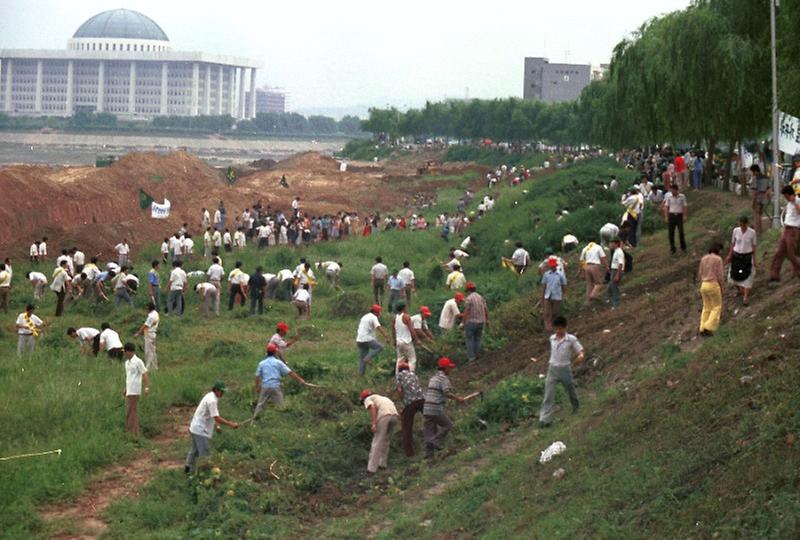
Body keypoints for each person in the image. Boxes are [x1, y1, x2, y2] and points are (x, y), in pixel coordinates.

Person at [538, 316, 585, 427]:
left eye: (561, 329)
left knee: (570, 390)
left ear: (565, 328)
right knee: (548, 394)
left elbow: (580, 350)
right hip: (552, 369)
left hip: (565, 369)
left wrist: (581, 356)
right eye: (557, 329)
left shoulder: (571, 339)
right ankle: (545, 420)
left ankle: (576, 407)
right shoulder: (552, 338)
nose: (559, 331)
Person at [184, 381, 239, 474]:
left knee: (194, 451)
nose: (223, 394)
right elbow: (216, 417)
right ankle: (203, 473)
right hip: (200, 430)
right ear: (217, 390)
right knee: (204, 453)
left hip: (195, 427)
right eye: (222, 391)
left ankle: (188, 469)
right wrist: (230, 424)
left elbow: (212, 415)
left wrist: (217, 425)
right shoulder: (212, 400)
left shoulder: (211, 396)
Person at [423, 357, 466, 458]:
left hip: (426, 408)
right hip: (435, 408)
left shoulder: (433, 378)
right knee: (448, 425)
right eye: (449, 368)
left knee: (429, 429)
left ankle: (429, 454)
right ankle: (434, 442)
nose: (450, 370)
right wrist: (458, 399)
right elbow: (447, 392)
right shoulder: (444, 379)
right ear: (445, 368)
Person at [253, 343, 310, 417]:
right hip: (275, 386)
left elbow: (257, 376)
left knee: (260, 405)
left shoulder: (261, 363)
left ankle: (255, 419)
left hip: (265, 386)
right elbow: (290, 373)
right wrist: (300, 380)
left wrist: (257, 387)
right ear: (275, 352)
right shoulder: (278, 363)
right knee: (281, 405)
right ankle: (283, 419)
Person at [359, 389, 400, 474]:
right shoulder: (382, 397)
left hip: (384, 415)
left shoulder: (368, 399)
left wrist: (374, 423)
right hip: (394, 416)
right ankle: (382, 464)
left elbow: (373, 407)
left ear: (363, 398)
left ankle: (371, 469)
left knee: (377, 441)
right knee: (386, 440)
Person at [769, 185, 800, 282]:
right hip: (786, 229)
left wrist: (794, 202)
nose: (785, 198)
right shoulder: (789, 203)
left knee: (791, 254)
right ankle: (774, 273)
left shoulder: (797, 200)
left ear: (789, 194)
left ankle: (798, 269)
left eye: (785, 196)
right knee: (780, 252)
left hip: (794, 230)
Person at [395, 362, 425, 456]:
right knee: (430, 418)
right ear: (408, 368)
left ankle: (409, 453)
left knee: (406, 427)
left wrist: (401, 401)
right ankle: (436, 440)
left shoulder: (399, 376)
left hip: (409, 403)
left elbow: (400, 390)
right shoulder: (413, 374)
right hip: (421, 400)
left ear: (399, 370)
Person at [726, 216, 757, 305]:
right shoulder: (736, 231)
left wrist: (754, 259)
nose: (741, 226)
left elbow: (754, 246)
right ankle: (740, 290)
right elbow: (733, 243)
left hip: (747, 256)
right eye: (740, 224)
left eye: (743, 224)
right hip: (737, 256)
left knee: (748, 276)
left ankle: (745, 297)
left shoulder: (752, 233)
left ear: (746, 224)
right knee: (734, 275)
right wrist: (729, 255)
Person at [697, 243, 725, 337]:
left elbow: (700, 273)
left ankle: (702, 327)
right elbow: (720, 275)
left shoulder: (703, 258)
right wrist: (722, 287)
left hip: (704, 285)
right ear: (718, 250)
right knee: (716, 307)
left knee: (706, 307)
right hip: (713, 284)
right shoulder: (718, 259)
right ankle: (708, 327)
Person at [122, 343, 149, 436]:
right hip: (129, 389)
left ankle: (133, 432)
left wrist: (146, 387)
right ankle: (131, 430)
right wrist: (126, 388)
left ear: (128, 352)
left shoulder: (138, 361)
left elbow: (144, 374)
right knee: (130, 410)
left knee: (132, 411)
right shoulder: (127, 363)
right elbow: (128, 377)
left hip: (135, 390)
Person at [356, 304, 389, 376]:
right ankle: (368, 358)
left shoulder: (364, 316)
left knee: (362, 359)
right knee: (380, 347)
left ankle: (360, 376)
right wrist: (386, 336)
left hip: (359, 340)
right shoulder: (373, 317)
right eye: (379, 312)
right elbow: (379, 327)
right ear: (375, 312)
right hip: (367, 339)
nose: (380, 314)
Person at [461, 282, 488, 362]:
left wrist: (463, 322)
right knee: (478, 339)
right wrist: (487, 319)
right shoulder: (481, 297)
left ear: (468, 290)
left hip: (471, 322)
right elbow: (486, 309)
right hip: (481, 321)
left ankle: (471, 357)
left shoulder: (469, 299)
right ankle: (477, 355)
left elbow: (466, 311)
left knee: (469, 339)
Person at [541, 258, 567, 332]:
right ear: (549, 267)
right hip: (548, 295)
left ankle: (554, 325)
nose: (552, 267)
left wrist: (565, 295)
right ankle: (547, 326)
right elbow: (544, 286)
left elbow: (564, 286)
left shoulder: (560, 274)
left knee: (555, 312)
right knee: (547, 312)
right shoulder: (546, 275)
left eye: (554, 266)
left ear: (555, 266)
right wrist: (542, 296)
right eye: (551, 266)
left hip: (557, 296)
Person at [392, 301, 419, 372]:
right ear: (404, 308)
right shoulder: (406, 317)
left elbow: (393, 330)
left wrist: (394, 341)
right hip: (406, 342)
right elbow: (411, 330)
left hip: (399, 341)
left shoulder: (395, 318)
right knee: (412, 359)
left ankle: (398, 377)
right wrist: (417, 340)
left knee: (400, 359)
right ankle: (410, 375)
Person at [133, 302, 160, 370]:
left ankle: (148, 367)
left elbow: (145, 326)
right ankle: (154, 366)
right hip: (152, 333)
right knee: (153, 351)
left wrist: (138, 333)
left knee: (148, 351)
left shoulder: (151, 317)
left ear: (148, 308)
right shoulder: (156, 313)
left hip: (149, 334)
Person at [662, 184, 688, 255]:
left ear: (676, 190)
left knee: (681, 232)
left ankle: (683, 247)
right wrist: (666, 216)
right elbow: (666, 207)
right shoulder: (669, 197)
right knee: (671, 233)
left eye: (673, 190)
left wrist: (685, 215)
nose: (672, 192)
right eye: (671, 190)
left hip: (679, 215)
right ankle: (672, 248)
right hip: (671, 215)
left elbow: (685, 206)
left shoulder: (682, 197)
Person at [749, 164, 771, 235]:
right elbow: (769, 188)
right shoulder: (765, 177)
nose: (752, 173)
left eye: (752, 172)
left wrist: (752, 201)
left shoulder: (755, 178)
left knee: (756, 215)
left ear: (755, 171)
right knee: (760, 214)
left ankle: (757, 231)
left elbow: (754, 191)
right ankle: (759, 230)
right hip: (764, 198)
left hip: (757, 198)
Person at [608, 237, 625, 309]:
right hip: (613, 270)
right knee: (610, 287)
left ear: (616, 244)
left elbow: (620, 264)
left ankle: (616, 305)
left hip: (616, 271)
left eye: (611, 243)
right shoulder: (615, 251)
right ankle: (612, 301)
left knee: (614, 288)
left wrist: (618, 275)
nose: (610, 245)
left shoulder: (619, 252)